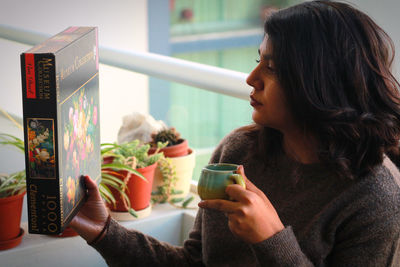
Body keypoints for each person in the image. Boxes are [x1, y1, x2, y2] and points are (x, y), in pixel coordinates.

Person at [70, 1, 400, 266]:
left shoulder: (375, 200)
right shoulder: (238, 153)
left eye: (272, 68)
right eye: (259, 61)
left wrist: (271, 241)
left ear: (321, 83)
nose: (251, 78)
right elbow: (193, 261)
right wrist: (104, 232)